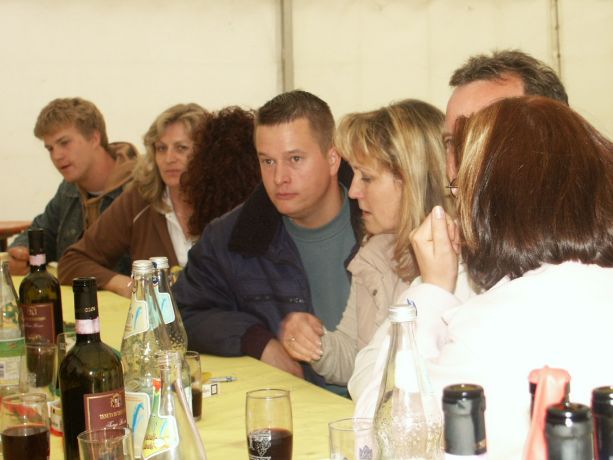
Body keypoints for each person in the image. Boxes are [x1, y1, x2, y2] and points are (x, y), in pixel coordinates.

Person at [352, 96, 613, 458]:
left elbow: (379, 436)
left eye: (459, 190)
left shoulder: (496, 322)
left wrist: (431, 289)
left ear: (491, 205)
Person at [173, 90, 362, 388]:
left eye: (295, 159)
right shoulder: (233, 236)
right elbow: (180, 314)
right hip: (298, 405)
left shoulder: (380, 222)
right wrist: (257, 340)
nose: (279, 178)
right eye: (268, 161)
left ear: (332, 158)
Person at [277, 99, 453, 386]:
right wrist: (315, 343)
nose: (353, 191)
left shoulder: (469, 269)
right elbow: (357, 358)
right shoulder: (376, 253)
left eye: (367, 178)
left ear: (412, 180)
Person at [59, 103, 209, 296]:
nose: (168, 158)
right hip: (158, 314)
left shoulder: (230, 200)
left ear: (206, 152)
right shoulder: (140, 198)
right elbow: (73, 261)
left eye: (181, 148)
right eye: (161, 148)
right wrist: (126, 285)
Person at [8, 97, 138, 275]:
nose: (56, 156)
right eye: (50, 149)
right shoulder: (69, 188)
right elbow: (42, 233)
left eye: (64, 143)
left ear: (94, 138)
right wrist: (21, 252)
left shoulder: (142, 186)